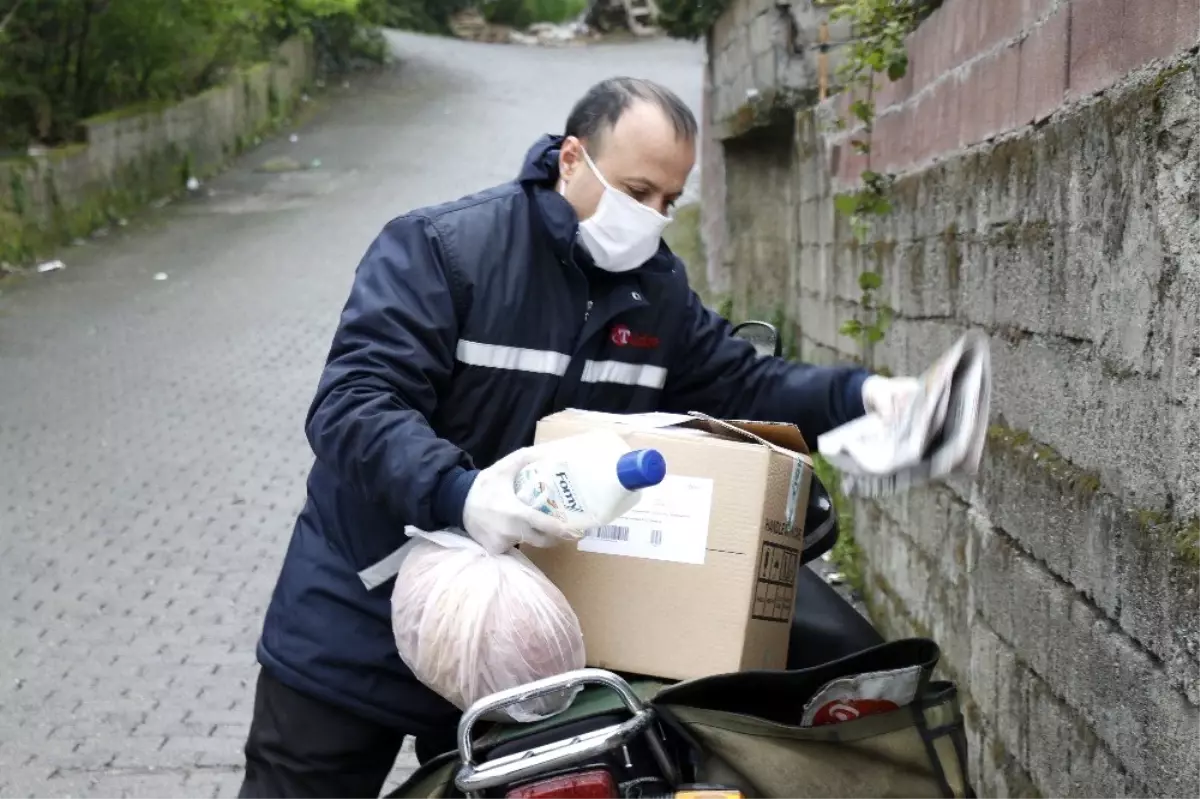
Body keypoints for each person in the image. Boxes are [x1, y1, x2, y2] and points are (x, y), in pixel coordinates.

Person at [237, 76, 918, 798]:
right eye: (635, 190)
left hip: (519, 641)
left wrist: (862, 395)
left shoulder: (657, 295)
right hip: (359, 610)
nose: (650, 216)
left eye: (669, 202)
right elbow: (352, 402)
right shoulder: (446, 250)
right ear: (571, 159)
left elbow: (746, 385)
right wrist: (460, 493)